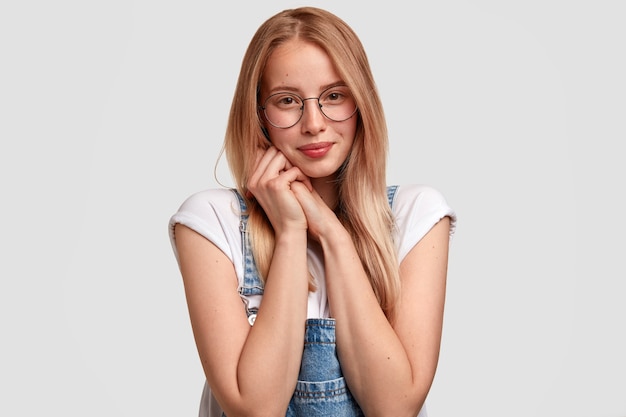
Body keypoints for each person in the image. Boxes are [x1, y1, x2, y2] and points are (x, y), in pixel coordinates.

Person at [169, 6, 456, 417]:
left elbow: (394, 408)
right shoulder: (212, 222)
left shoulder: (415, 215)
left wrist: (333, 235)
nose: (314, 123)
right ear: (259, 116)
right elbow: (256, 408)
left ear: (362, 104)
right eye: (287, 100)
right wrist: (290, 232)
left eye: (334, 96)